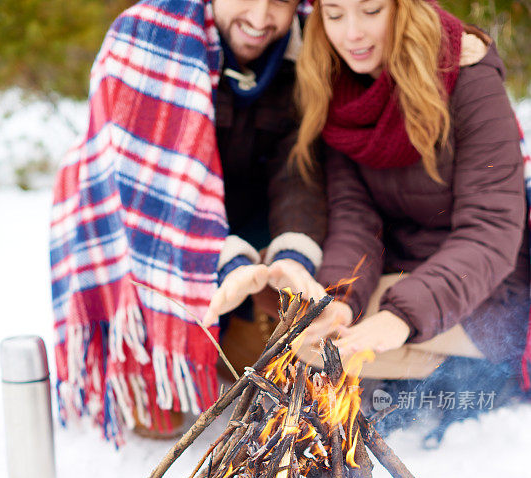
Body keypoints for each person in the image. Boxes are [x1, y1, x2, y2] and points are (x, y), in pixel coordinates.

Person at [212, 0, 530, 439]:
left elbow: (491, 230)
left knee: (336, 345)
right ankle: (405, 372)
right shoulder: (337, 86)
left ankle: (472, 380)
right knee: (302, 319)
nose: (353, 34)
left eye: (372, 11)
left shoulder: (466, 73)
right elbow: (353, 220)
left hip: (484, 284)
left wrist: (398, 318)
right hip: (401, 273)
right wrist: (341, 301)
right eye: (336, 15)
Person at [50, 0, 326, 442]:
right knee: (158, 416)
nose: (260, 19)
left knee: (269, 352)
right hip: (139, 217)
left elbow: (297, 170)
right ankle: (148, 349)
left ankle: (228, 330)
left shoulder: (306, 49)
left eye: (279, 1)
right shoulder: (147, 38)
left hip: (245, 215)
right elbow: (146, 195)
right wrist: (225, 262)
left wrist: (291, 254)